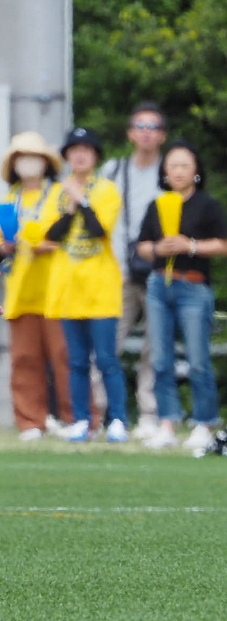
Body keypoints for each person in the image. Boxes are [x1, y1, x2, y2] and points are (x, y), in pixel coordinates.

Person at [136, 142, 226, 451]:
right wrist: (160, 249)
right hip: (160, 284)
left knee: (198, 359)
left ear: (196, 171)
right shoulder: (157, 205)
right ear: (164, 172)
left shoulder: (209, 206)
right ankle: (167, 423)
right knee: (161, 359)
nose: (177, 171)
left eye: (184, 165)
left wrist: (190, 246)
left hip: (194, 286)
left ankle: (203, 423)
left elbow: (223, 245)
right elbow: (143, 246)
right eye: (172, 165)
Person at [42, 127, 129, 443]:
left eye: (86, 150)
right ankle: (81, 420)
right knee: (75, 360)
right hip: (68, 288)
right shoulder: (57, 191)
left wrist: (82, 200)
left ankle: (118, 419)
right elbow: (51, 234)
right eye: (73, 150)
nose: (79, 155)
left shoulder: (106, 189)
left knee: (106, 359)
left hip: (100, 287)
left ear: (95, 156)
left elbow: (97, 231)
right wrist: (70, 205)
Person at [0, 132, 72, 440]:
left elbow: (70, 234)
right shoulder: (7, 200)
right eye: (22, 157)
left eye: (35, 157)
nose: (28, 163)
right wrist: (4, 249)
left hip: (59, 290)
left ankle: (74, 419)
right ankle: (30, 421)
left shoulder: (60, 194)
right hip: (21, 291)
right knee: (25, 360)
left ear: (46, 162)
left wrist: (47, 244)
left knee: (66, 357)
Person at [100, 102, 166, 439]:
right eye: (140, 125)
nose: (146, 132)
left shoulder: (169, 173)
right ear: (130, 132)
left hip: (157, 270)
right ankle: (101, 414)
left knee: (154, 348)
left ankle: (150, 415)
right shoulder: (114, 169)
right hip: (117, 269)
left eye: (153, 127)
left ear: (162, 135)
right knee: (108, 342)